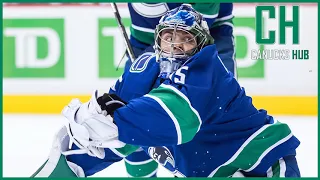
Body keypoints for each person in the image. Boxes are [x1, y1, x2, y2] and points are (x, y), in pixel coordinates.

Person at [32, 5, 300, 178]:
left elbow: (174, 117)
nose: (175, 45)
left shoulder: (207, 72)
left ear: (201, 45)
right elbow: (119, 139)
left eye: (186, 38)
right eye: (168, 38)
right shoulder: (143, 70)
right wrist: (74, 161)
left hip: (261, 163)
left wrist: (116, 121)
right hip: (206, 169)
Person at [125, 4, 236, 176]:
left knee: (214, 116)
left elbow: (199, 21)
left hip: (207, 38)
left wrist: (164, 53)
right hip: (146, 41)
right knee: (131, 112)